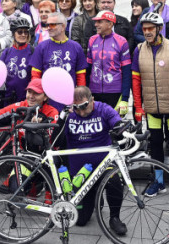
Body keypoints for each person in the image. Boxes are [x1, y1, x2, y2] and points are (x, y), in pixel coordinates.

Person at [132, 12, 169, 197]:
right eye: (144, 28)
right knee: (155, 144)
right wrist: (139, 107)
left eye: (150, 28)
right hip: (151, 107)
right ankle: (158, 182)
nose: (147, 32)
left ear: (159, 29)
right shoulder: (139, 49)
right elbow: (135, 81)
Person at [63, 86, 127, 236]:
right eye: (77, 108)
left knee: (114, 181)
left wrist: (122, 129)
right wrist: (63, 117)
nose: (82, 112)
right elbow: (56, 141)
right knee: (81, 221)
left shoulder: (103, 109)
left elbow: (117, 123)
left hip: (103, 165)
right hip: (80, 172)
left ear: (92, 100)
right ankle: (95, 199)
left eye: (85, 106)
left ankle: (115, 218)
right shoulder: (70, 115)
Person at [30, 12, 88, 109]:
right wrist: (38, 95)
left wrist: (80, 97)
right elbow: (35, 76)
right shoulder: (41, 47)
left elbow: (81, 77)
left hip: (69, 99)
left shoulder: (76, 47)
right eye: (47, 25)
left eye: (52, 24)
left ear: (63, 27)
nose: (48, 27)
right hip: (47, 99)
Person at [85, 10, 132, 113]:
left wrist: (125, 99)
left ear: (110, 24)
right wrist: (86, 92)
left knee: (113, 126)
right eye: (96, 22)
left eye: (100, 22)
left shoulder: (121, 41)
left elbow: (127, 72)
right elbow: (88, 69)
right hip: (94, 92)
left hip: (114, 92)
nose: (96, 24)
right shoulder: (92, 40)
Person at [0, 15, 36, 104]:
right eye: (20, 32)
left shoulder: (33, 51)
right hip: (8, 98)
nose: (23, 35)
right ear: (13, 34)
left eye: (25, 32)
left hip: (26, 99)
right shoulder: (6, 52)